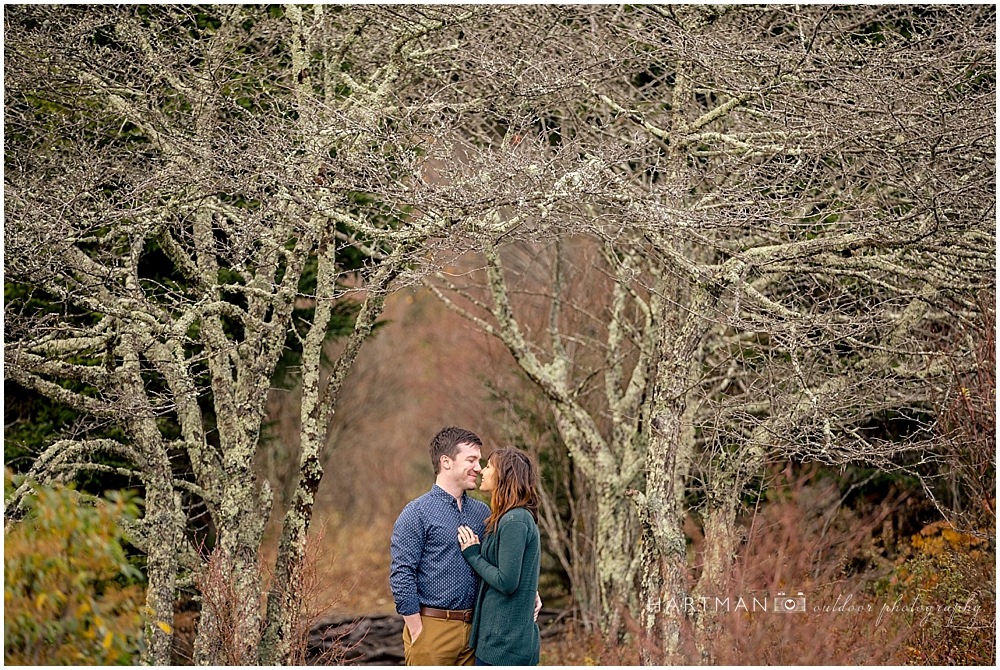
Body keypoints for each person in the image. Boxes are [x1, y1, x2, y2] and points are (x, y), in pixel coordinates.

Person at [390, 427, 489, 665]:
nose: (478, 467)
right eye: (471, 460)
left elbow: (497, 564)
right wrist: (417, 631)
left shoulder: (482, 513)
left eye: (479, 460)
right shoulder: (416, 513)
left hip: (477, 632)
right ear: (446, 461)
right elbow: (402, 574)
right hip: (432, 630)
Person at [457, 447, 542, 666]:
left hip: (506, 647)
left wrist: (473, 555)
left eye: (488, 466)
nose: (482, 471)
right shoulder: (507, 518)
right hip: (497, 642)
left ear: (504, 474)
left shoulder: (515, 520)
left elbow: (507, 582)